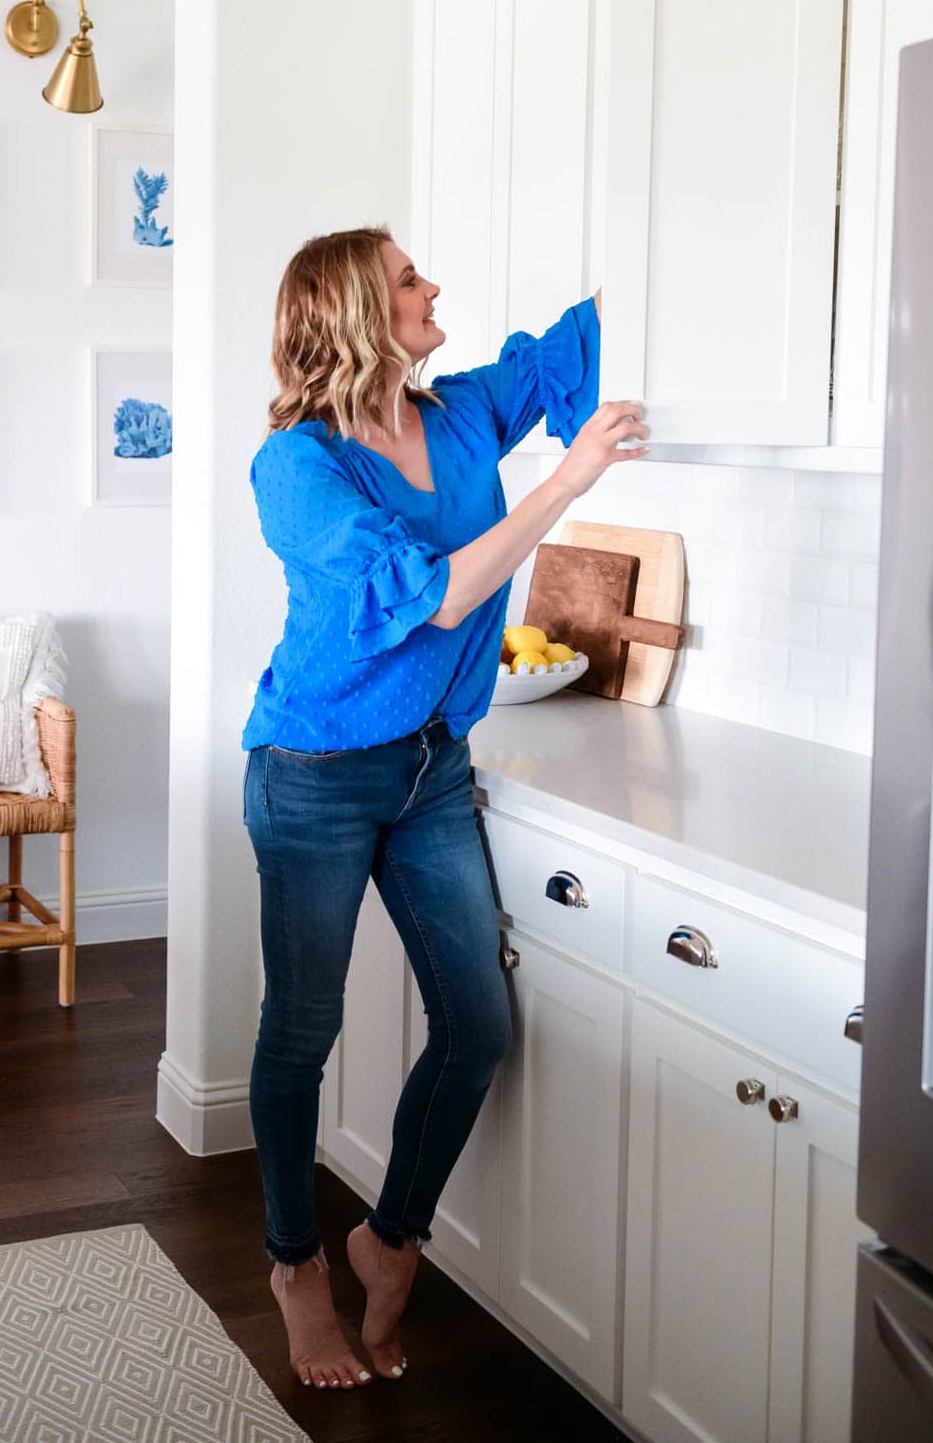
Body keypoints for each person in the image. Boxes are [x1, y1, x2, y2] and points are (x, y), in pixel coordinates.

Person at [240, 224, 648, 1391]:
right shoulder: (298, 466)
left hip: (431, 770)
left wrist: (669, 224)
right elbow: (436, 599)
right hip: (314, 773)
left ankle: (390, 1235)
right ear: (361, 313)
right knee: (299, 1034)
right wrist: (566, 483)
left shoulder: (464, 411)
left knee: (478, 1024)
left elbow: (584, 337)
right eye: (410, 279)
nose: (433, 289)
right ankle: (295, 1267)